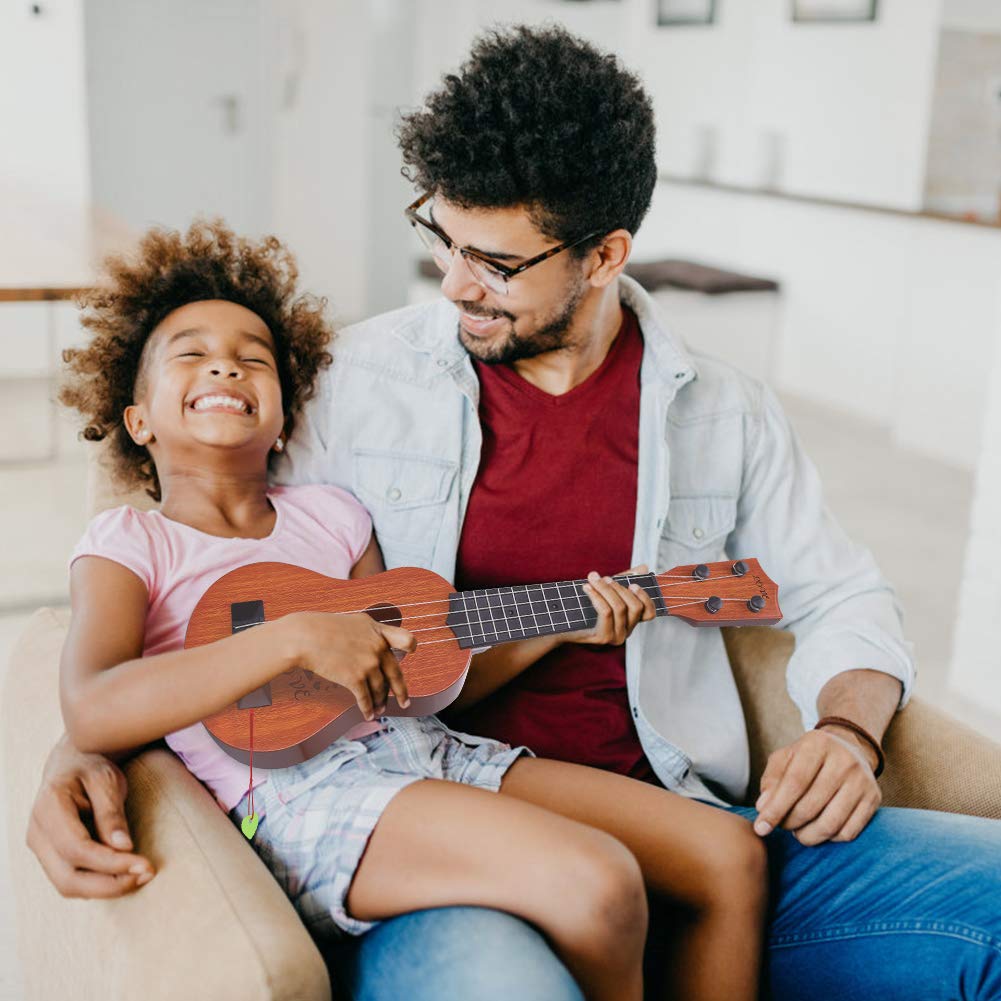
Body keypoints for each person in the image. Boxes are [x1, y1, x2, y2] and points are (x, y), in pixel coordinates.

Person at [28, 23, 1001, 1001]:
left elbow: (841, 593)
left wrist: (846, 729)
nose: (452, 283)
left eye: (493, 262)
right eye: (440, 239)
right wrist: (81, 745)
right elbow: (194, 554)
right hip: (433, 844)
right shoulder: (351, 384)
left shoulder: (723, 411)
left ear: (603, 253)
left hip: (684, 813)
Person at [50, 217, 767, 1001]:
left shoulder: (333, 516)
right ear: (138, 419)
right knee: (599, 883)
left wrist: (562, 620)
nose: (226, 364)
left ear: (285, 417)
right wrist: (291, 640)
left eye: (254, 358)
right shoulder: (129, 542)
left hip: (427, 750)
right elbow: (93, 706)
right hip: (292, 797)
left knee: (727, 852)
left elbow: (418, 671)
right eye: (192, 353)